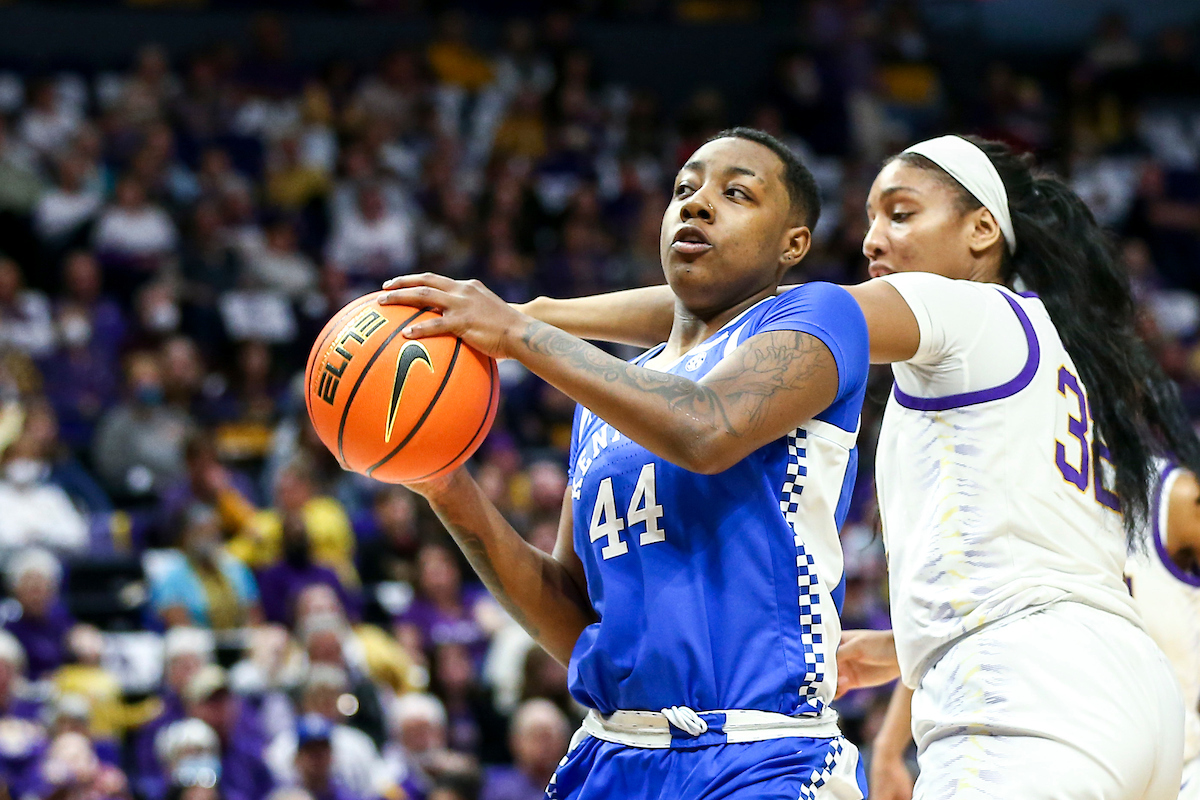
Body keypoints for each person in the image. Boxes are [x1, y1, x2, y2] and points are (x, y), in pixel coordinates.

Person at [521, 133, 1199, 799]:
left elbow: (758, 316)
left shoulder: (959, 308)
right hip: (1143, 701)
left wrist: (536, 321)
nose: (873, 240)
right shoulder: (1051, 355)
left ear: (982, 231)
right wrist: (898, 647)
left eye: (901, 214)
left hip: (1029, 696)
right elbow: (1043, 580)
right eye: (871, 218)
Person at [381, 127, 870, 797]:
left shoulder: (819, 314)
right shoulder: (610, 395)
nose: (697, 204)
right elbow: (571, 608)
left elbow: (706, 427)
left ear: (793, 244)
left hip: (761, 754)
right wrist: (444, 485)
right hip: (611, 755)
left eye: (736, 193)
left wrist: (527, 328)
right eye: (684, 189)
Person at [869, 459, 1200, 800]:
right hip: (1051, 745)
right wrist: (889, 747)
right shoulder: (1018, 476)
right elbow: (967, 619)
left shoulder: (1174, 497)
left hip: (1166, 759)